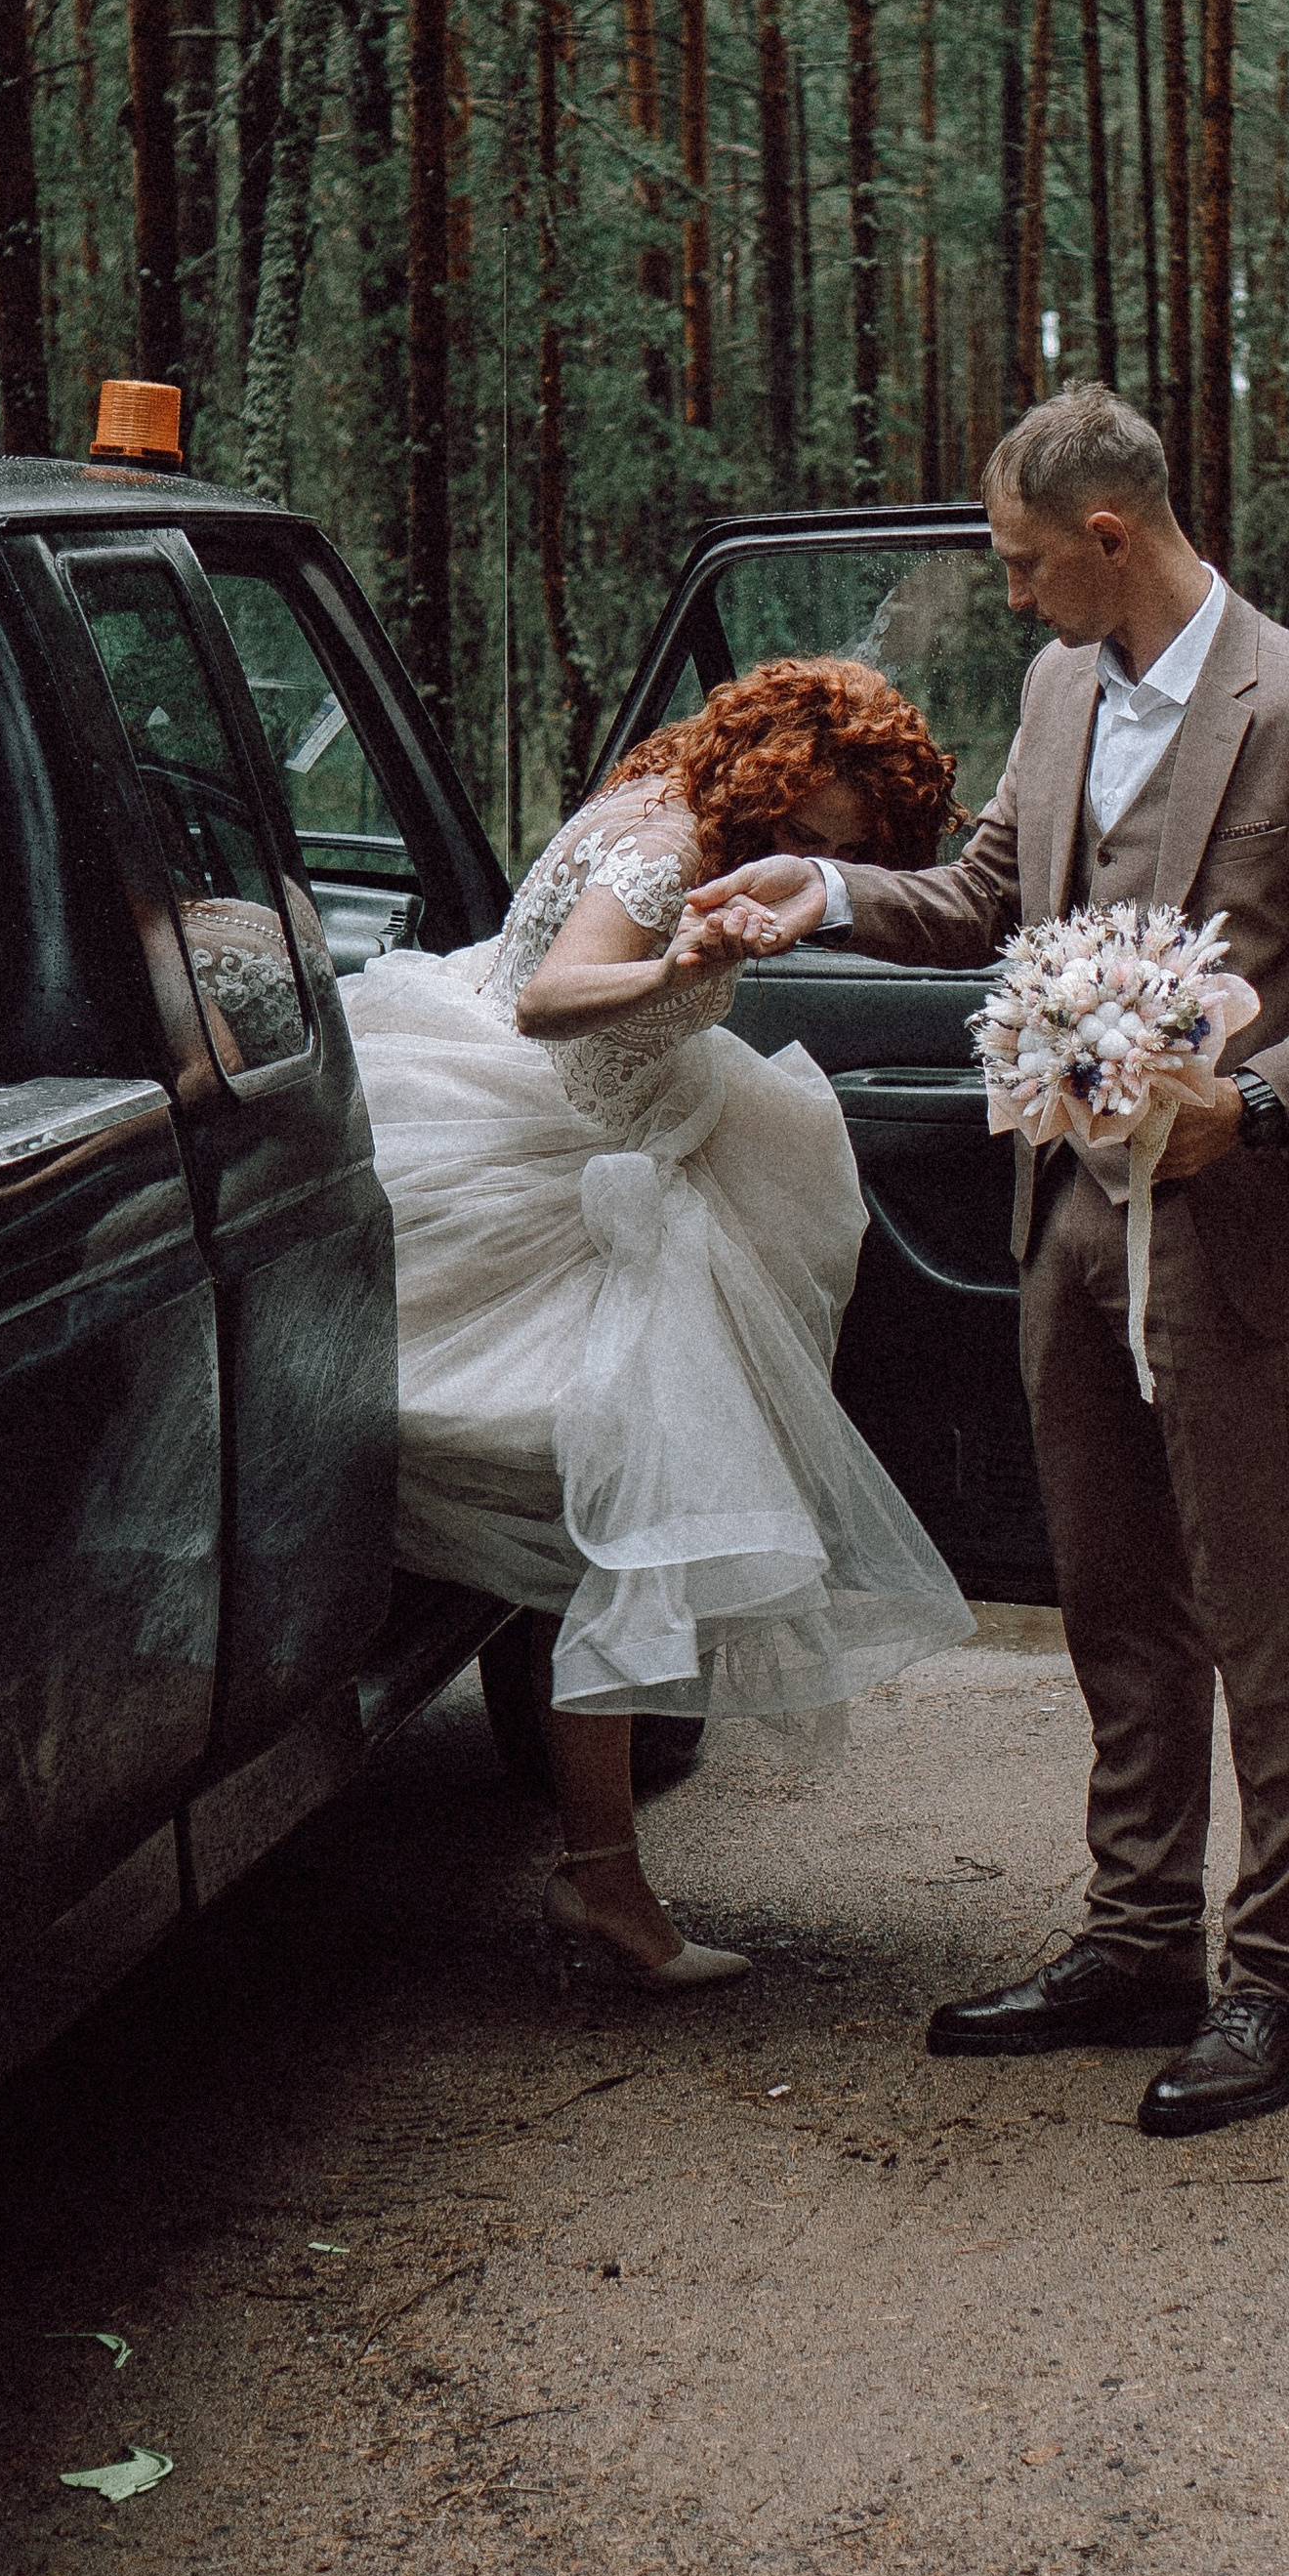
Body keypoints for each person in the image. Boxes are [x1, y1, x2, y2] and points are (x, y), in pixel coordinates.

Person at [695, 390, 1289, 2131]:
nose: (1015, 592)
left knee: (1257, 1610)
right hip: (1066, 1218)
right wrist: (824, 891)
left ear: (1110, 537)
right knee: (1111, 1596)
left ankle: (1278, 1984)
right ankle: (1137, 1944)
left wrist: (1255, 1103)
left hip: (1233, 1229)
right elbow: (988, 898)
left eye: (1029, 562)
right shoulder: (1059, 691)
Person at [341, 659, 975, 1989]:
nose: (810, 857)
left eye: (843, 851)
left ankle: (598, 1863)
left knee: (610, 1507)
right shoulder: (671, 846)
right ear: (780, 768)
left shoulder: (676, 788)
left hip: (622, 1130)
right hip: (559, 1169)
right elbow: (551, 999)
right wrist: (680, 964)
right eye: (808, 827)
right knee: (622, 1511)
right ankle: (600, 1879)